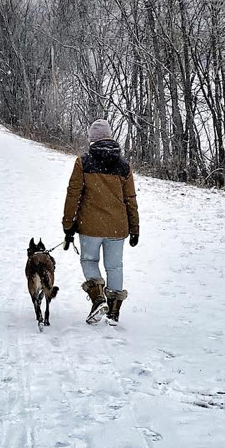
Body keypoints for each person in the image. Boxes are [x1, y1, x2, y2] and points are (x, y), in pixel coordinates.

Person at [61, 118, 139, 325]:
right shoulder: (123, 166)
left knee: (89, 261)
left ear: (91, 140)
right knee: (114, 267)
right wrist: (135, 228)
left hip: (90, 226)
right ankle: (114, 311)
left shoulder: (83, 162)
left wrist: (68, 224)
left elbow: (73, 194)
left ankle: (98, 300)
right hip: (117, 227)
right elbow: (130, 198)